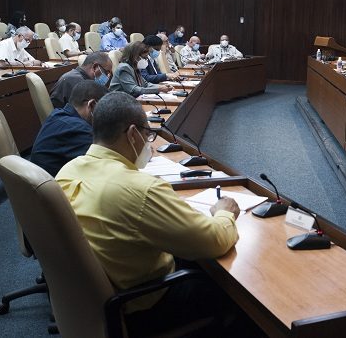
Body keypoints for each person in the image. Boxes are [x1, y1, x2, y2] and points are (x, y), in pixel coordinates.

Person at [55, 91, 242, 336]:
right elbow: (214, 241)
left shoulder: (67, 171)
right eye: (147, 134)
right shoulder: (140, 189)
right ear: (133, 134)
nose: (147, 142)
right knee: (230, 292)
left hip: (91, 301)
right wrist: (224, 213)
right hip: (142, 306)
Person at [31, 81, 107, 177]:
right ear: (91, 105)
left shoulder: (57, 114)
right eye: (105, 110)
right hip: (57, 188)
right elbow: (104, 168)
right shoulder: (79, 130)